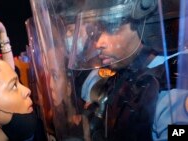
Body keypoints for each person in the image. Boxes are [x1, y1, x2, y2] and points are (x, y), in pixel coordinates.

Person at [67, 0, 180, 140]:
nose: (98, 43)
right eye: (97, 31)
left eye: (111, 28)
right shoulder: (132, 70)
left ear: (151, 24)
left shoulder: (176, 88)